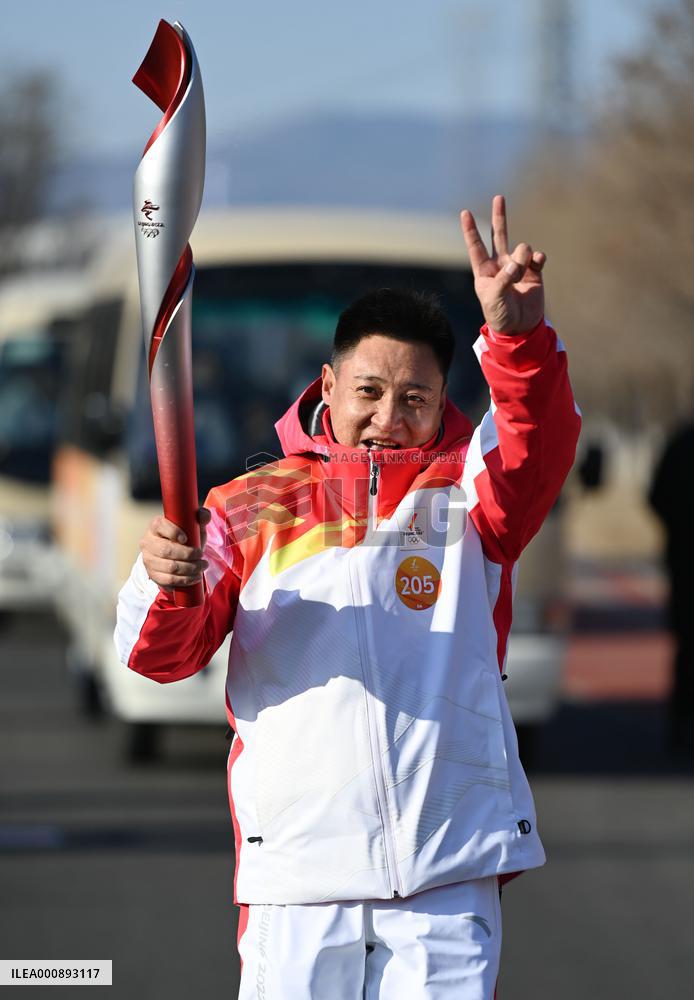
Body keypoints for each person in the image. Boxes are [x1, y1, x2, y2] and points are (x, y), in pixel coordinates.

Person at [115, 196, 581, 999]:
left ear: (442, 401)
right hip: (299, 878)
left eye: (415, 400)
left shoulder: (471, 500)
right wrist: (168, 582)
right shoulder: (248, 506)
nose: (387, 419)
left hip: (445, 873)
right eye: (369, 392)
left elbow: (538, 443)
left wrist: (517, 338)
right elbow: (161, 657)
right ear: (329, 386)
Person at [649, 421, 694, 751]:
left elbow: (656, 497)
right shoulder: (681, 443)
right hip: (683, 559)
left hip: (684, 559)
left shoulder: (680, 443)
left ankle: (681, 725)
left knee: (687, 646)